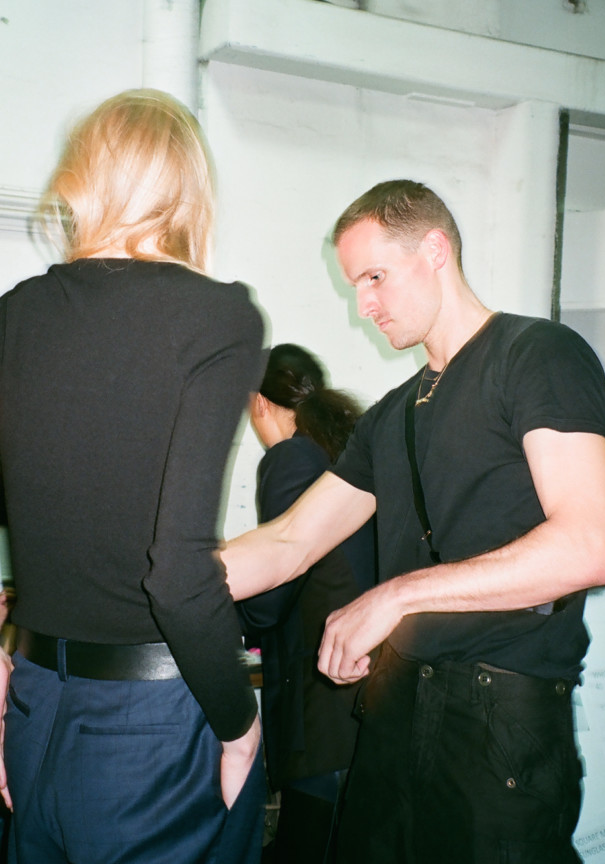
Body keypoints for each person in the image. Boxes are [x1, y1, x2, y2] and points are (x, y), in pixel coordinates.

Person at [222, 179, 605, 864]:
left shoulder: (537, 356)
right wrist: (153, 581)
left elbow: (588, 545)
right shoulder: (394, 413)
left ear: (435, 249)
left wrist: (397, 594)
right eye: (355, 286)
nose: (363, 305)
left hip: (500, 727)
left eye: (374, 277)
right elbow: (290, 540)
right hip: (395, 714)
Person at [0, 90, 266, 863]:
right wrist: (240, 722)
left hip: (33, 702)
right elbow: (178, 575)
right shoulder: (218, 319)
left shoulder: (15, 316)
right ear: (185, 186)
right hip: (148, 726)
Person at [238, 344, 376, 864]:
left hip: (321, 704)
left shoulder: (291, 456)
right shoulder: (339, 447)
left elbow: (270, 598)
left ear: (259, 403)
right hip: (359, 700)